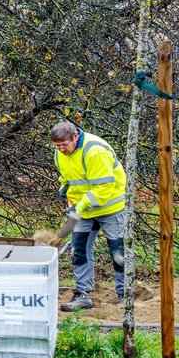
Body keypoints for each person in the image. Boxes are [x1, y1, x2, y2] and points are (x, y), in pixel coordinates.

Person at [50, 122, 127, 312]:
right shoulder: (60, 153)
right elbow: (66, 176)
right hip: (83, 209)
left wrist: (80, 205)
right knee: (78, 249)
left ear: (75, 136)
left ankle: (125, 294)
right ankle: (83, 294)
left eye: (64, 145)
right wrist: (64, 187)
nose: (61, 149)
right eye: (57, 146)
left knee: (118, 252)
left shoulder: (94, 151)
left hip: (110, 208)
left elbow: (103, 187)